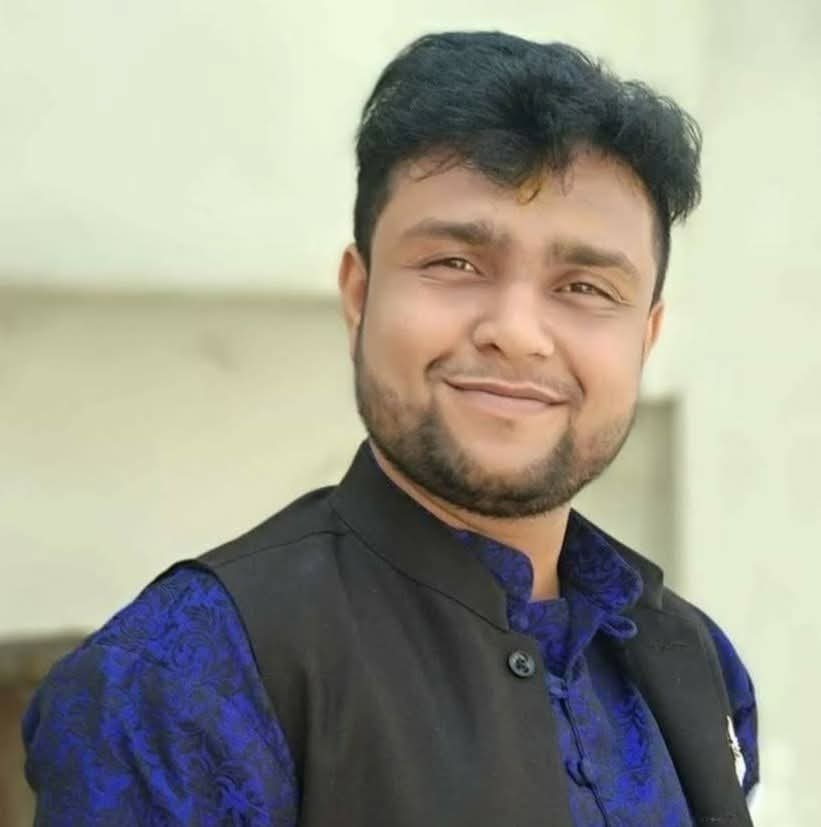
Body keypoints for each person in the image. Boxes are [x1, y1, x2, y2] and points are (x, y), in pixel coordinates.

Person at [22, 31, 758, 826]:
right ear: (358, 295)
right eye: (454, 264)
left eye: (583, 286)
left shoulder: (690, 657)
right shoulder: (177, 677)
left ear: (644, 337)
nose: (516, 333)